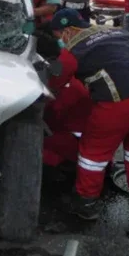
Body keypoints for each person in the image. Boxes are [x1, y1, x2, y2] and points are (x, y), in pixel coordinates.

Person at [49, 8, 129, 221]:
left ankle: (86, 202)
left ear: (67, 30)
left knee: (94, 152)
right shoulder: (118, 32)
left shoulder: (74, 50)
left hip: (121, 101)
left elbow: (54, 83)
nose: (59, 40)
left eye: (58, 35)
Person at [32, 24, 93, 174]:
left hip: (75, 142)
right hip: (76, 135)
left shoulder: (65, 87)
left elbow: (48, 116)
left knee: (25, 143)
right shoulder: (66, 69)